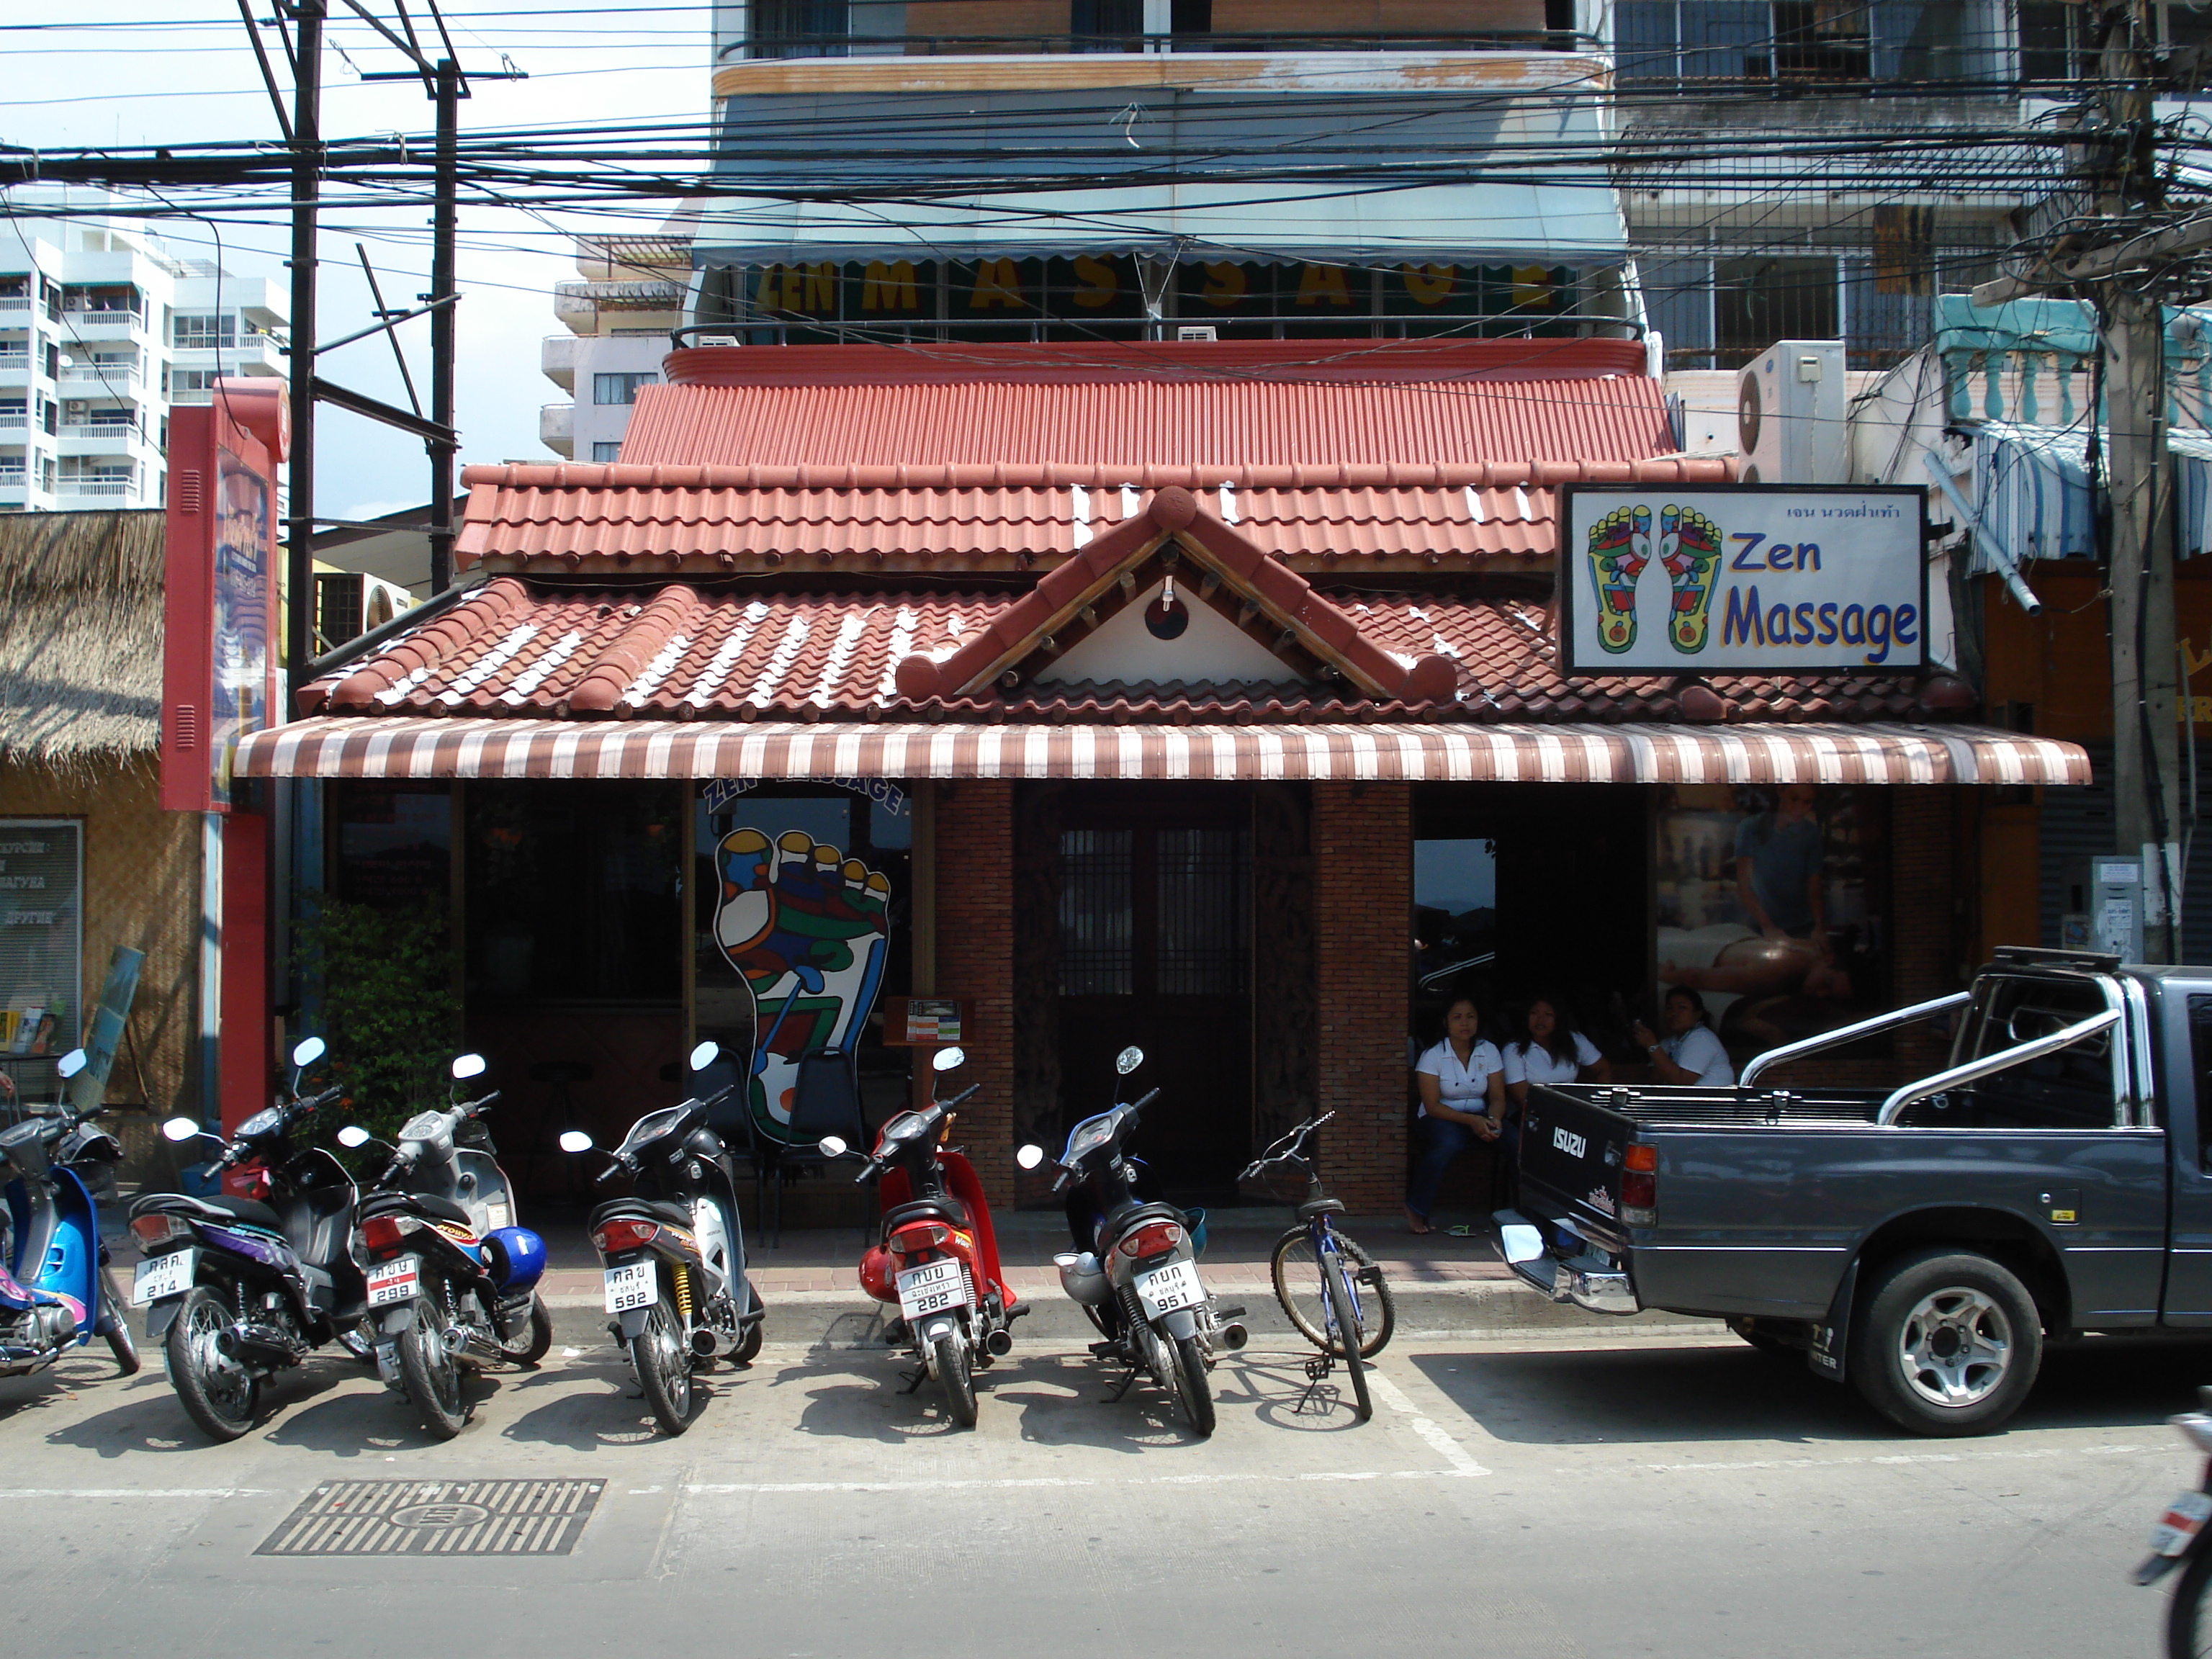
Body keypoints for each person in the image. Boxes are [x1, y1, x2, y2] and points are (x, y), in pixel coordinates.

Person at [1405, 996, 1506, 1235]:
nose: (1465, 1023)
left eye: (1471, 1017)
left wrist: (1495, 1119)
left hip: (1480, 1114)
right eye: (1457, 1017)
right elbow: (1432, 1106)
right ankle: (1416, 1207)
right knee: (1449, 1142)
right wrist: (1473, 1121)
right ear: (1446, 1022)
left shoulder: (1488, 1050)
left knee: (1513, 1140)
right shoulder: (1433, 1055)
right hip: (1440, 1117)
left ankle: (1518, 1213)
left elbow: (1498, 1097)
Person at [1735, 783, 1826, 945]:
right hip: (1759, 926)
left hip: (1801, 926)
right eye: (1794, 799)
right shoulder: (1751, 827)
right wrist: (1767, 926)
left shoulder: (1811, 834)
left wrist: (1819, 928)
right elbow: (1744, 884)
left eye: (1807, 802)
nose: (1799, 808)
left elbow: (1814, 884)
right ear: (1781, 791)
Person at [1503, 996, 1611, 1125]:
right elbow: (1523, 1099)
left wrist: (1595, 1107)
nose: (1540, 1020)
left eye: (1548, 1014)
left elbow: (1604, 1070)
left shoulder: (1575, 1040)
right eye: (1534, 1013)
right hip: (1531, 1118)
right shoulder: (1513, 1049)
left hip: (1572, 1113)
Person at [1631, 986, 1735, 1086]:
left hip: (1710, 1102)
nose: (1674, 1013)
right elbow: (1655, 1080)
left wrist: (1652, 1045)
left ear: (1698, 1014)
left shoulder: (1702, 1039)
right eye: (1669, 1008)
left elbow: (1682, 1083)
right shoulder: (1668, 1043)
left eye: (1682, 1008)